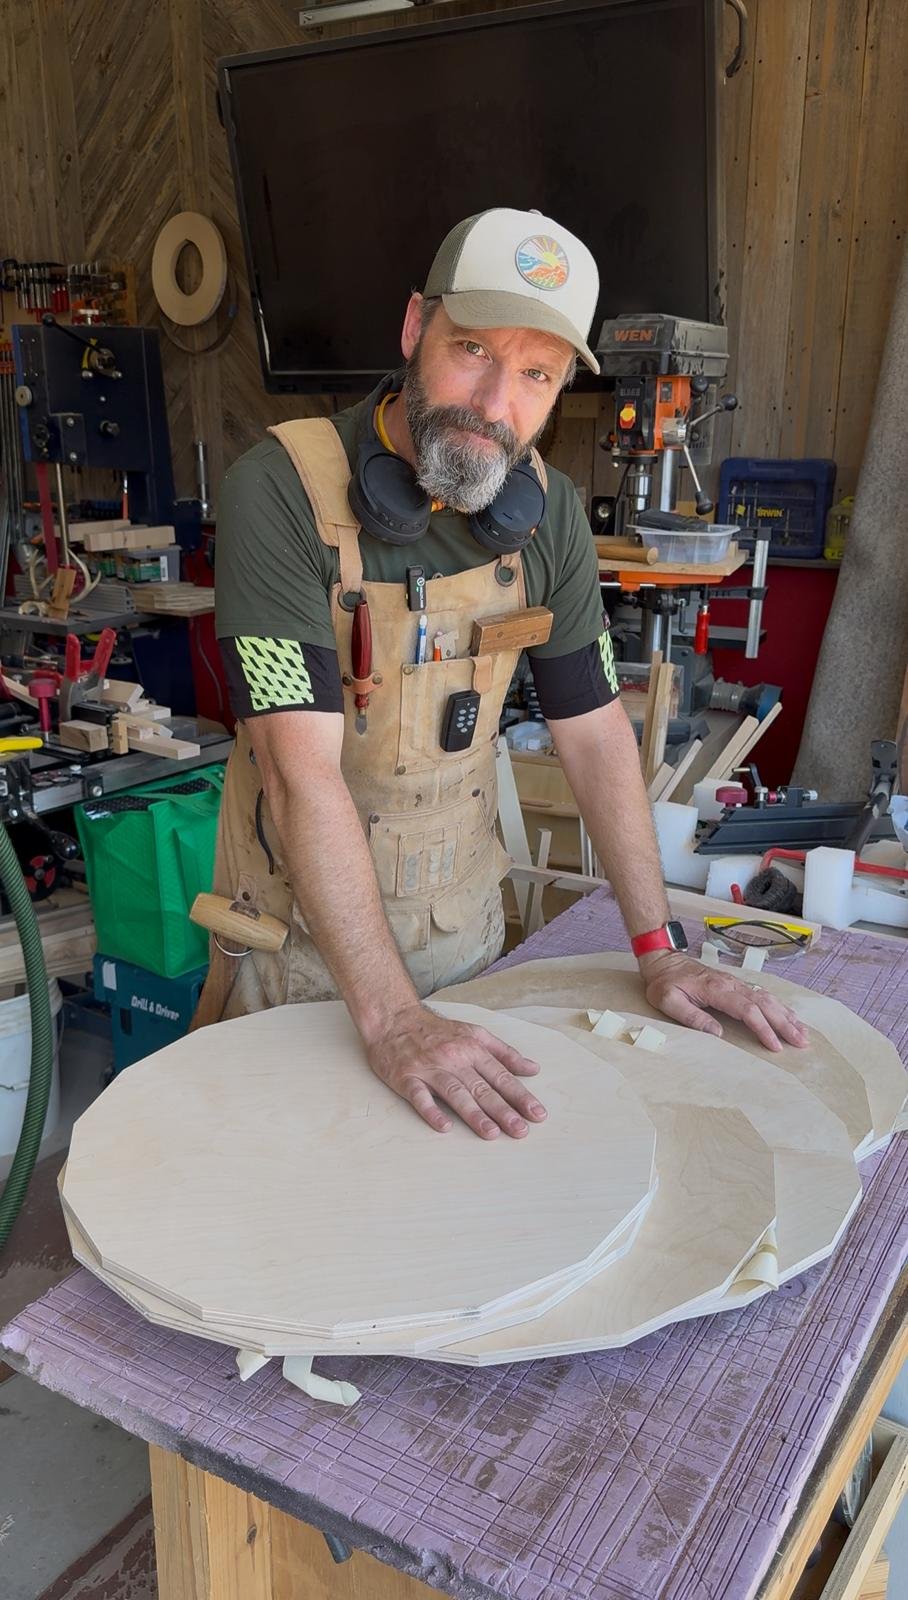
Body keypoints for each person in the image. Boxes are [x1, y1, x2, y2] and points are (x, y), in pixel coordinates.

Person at [208, 206, 808, 1138]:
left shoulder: (551, 516)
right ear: (415, 328)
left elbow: (597, 731)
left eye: (535, 373)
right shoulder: (280, 494)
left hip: (473, 946)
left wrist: (658, 948)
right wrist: (395, 1017)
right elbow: (298, 778)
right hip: (306, 972)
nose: (495, 404)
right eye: (472, 349)